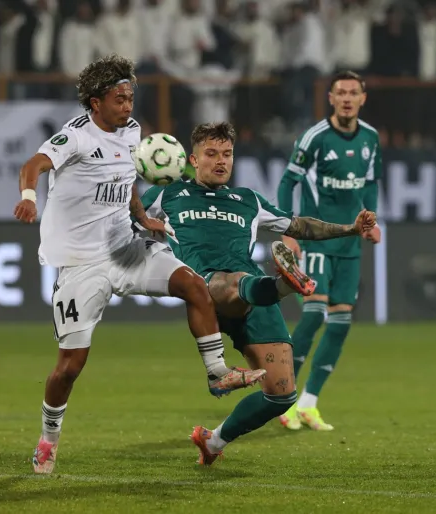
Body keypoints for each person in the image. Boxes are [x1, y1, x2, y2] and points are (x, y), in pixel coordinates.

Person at [12, 55, 265, 475]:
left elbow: (126, 177)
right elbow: (33, 165)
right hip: (80, 264)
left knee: (193, 284)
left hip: (125, 248)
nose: (128, 105)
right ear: (95, 102)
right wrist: (27, 197)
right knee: (70, 367)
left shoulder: (131, 131)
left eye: (130, 97)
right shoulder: (74, 136)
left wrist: (142, 216)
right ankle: (48, 439)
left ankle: (217, 372)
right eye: (119, 98)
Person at [138, 122, 376, 465]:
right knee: (229, 281)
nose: (221, 161)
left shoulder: (247, 200)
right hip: (206, 289)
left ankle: (213, 442)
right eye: (211, 154)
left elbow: (299, 225)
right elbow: (128, 218)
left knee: (282, 395)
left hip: (252, 295)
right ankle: (282, 284)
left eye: (227, 154)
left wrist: (350, 228)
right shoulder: (169, 194)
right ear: (193, 159)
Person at [276, 71, 382, 431]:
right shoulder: (315, 137)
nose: (347, 98)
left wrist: (371, 219)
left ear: (363, 98)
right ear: (331, 98)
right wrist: (287, 230)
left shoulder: (370, 138)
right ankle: (282, 398)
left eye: (354, 92)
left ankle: (309, 403)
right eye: (341, 93)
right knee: (313, 315)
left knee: (340, 322)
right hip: (317, 240)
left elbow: (370, 183)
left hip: (350, 244)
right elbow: (288, 181)